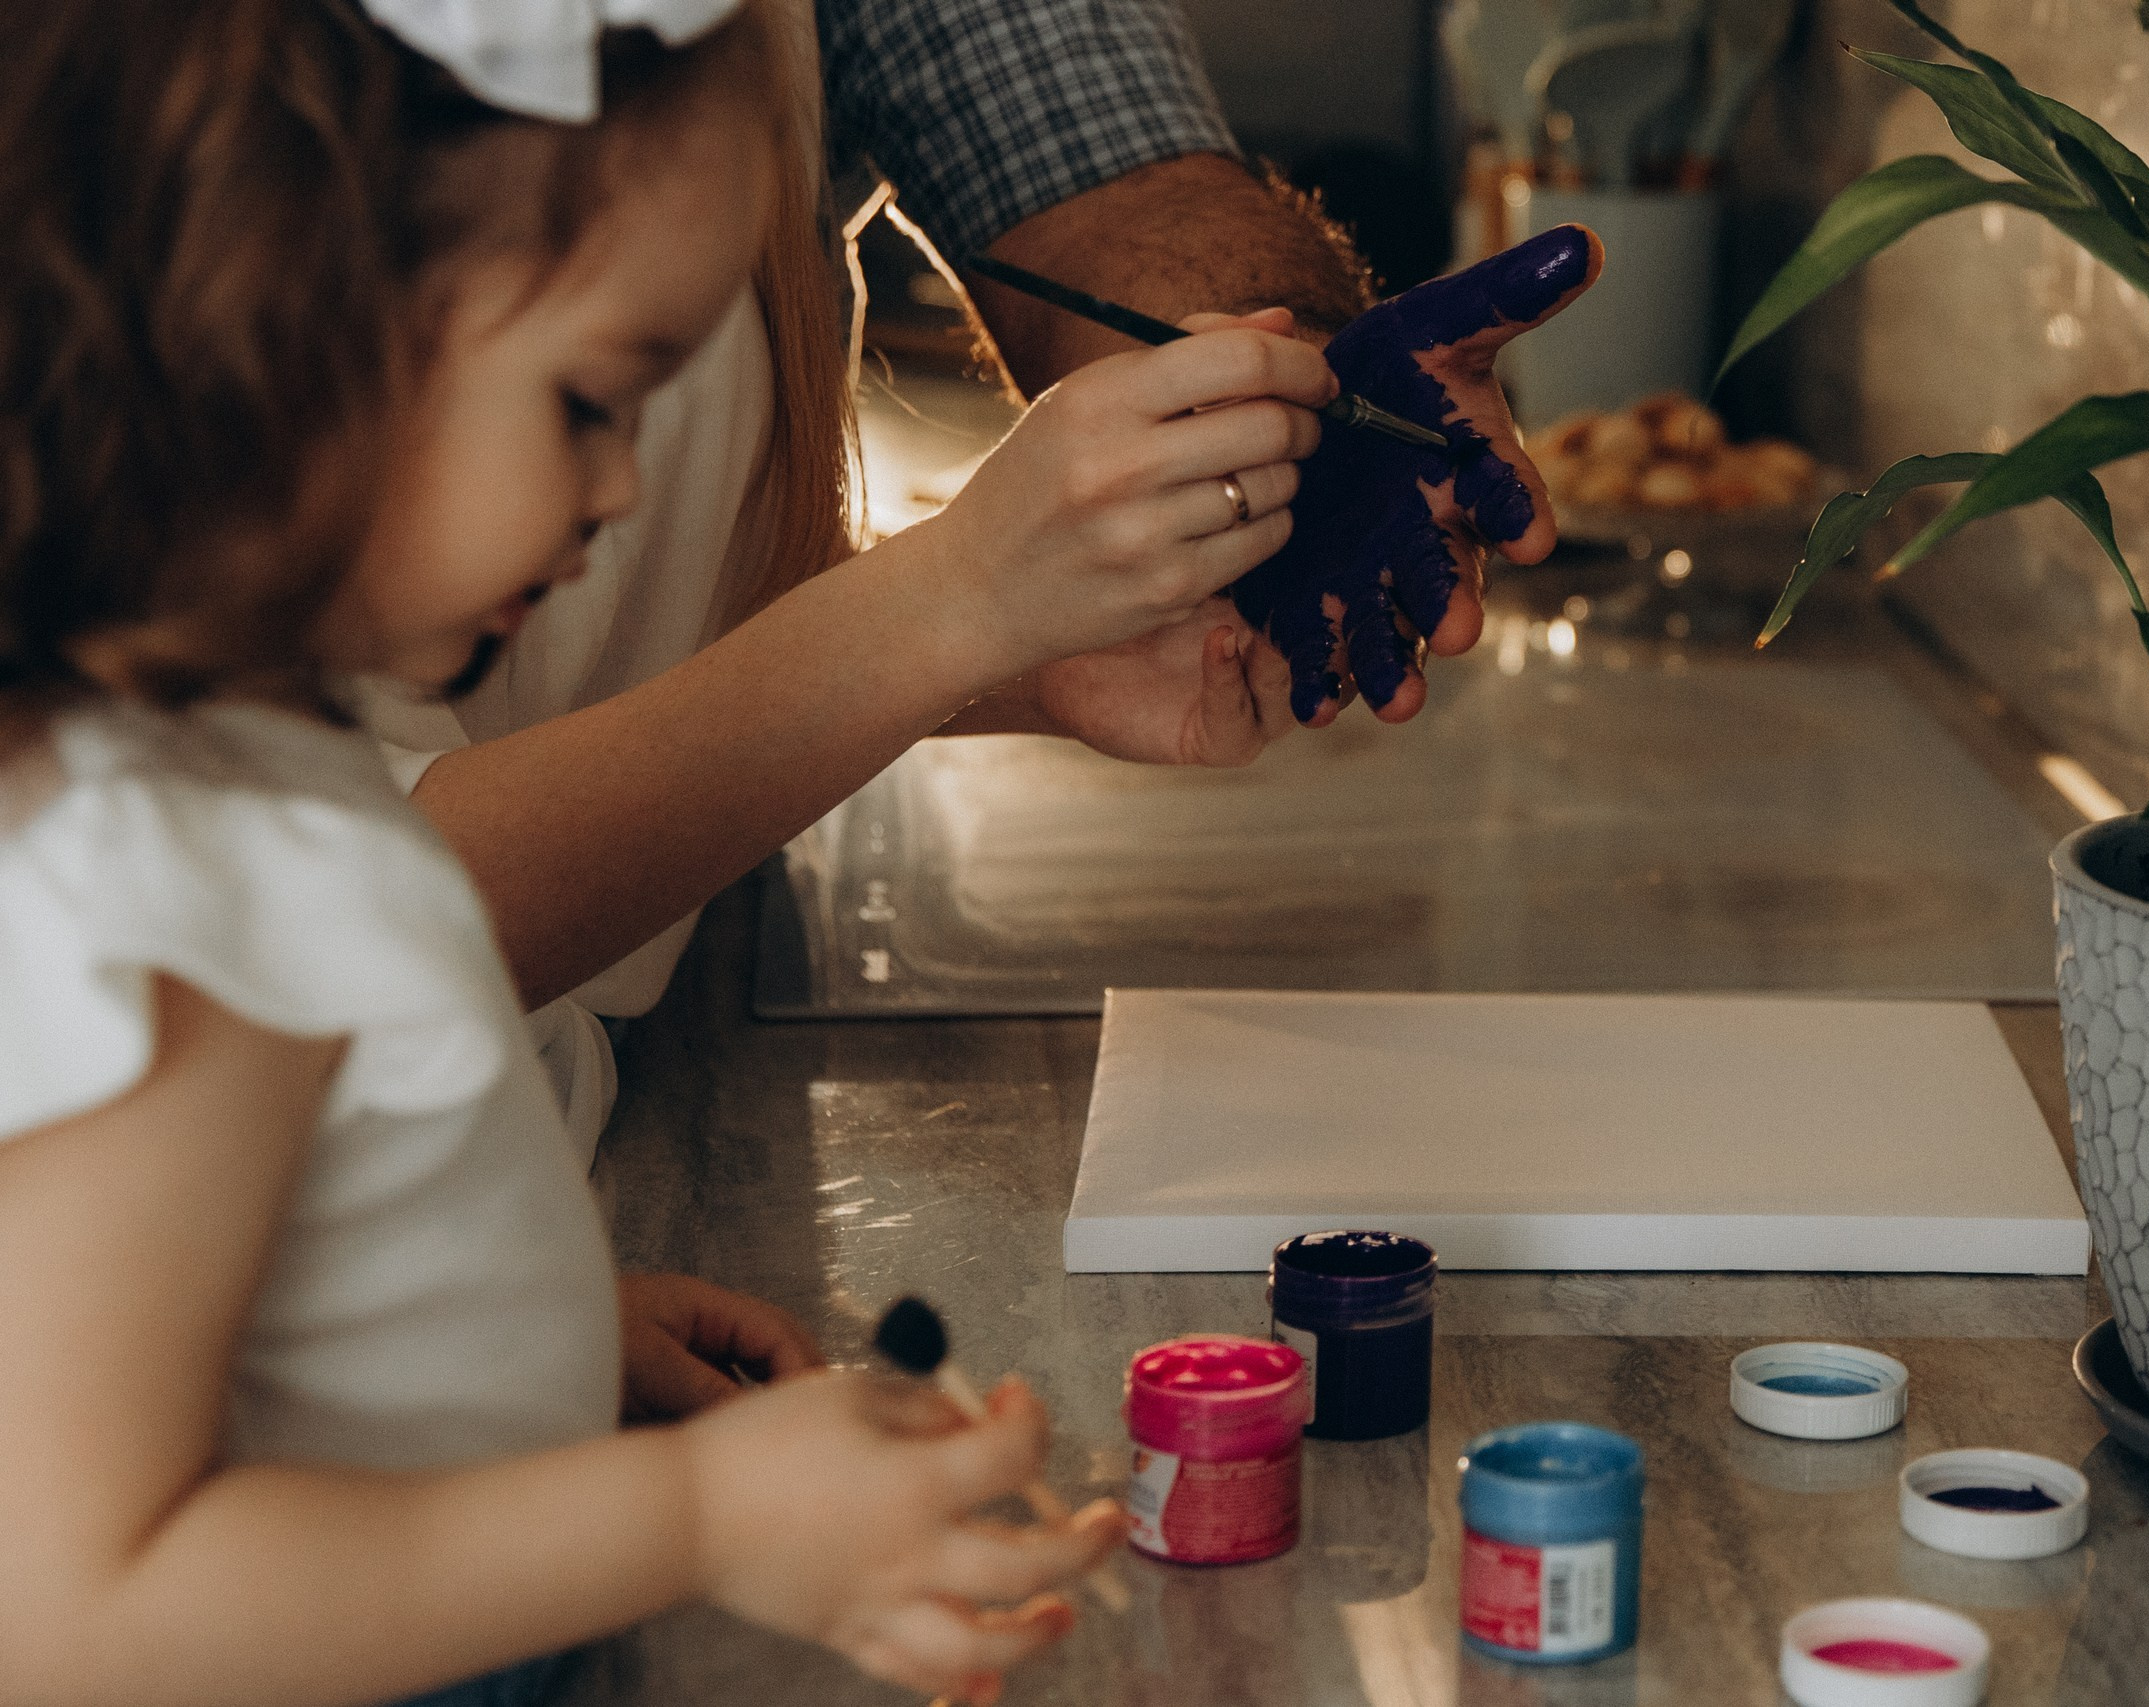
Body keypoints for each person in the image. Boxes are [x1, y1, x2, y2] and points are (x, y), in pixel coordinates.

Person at [0, 0, 1347, 1697]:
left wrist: (498, 1331)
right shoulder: (211, 894)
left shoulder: (202, 780)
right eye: (587, 402)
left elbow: (189, 1329)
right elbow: (67, 1612)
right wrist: (694, 1517)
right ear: (288, 329)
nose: (626, 492)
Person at [365, 0, 1598, 1162]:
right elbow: (350, 916)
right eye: (588, 402)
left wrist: (1275, 403)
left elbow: (1069, 129)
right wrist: (950, 605)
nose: (620, 491)